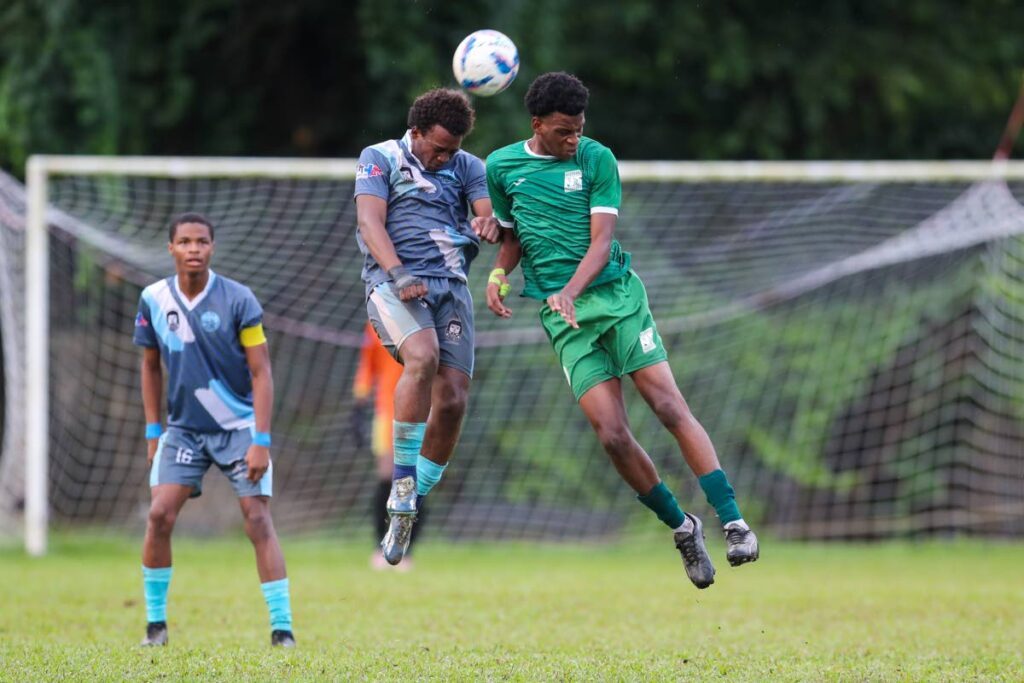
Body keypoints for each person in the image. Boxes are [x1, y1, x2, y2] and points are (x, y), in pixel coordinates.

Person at [484, 72, 759, 590]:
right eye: (564, 131)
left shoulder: (597, 159)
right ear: (537, 124)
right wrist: (500, 273)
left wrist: (569, 289)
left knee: (669, 406)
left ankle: (734, 522)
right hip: (563, 321)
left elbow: (603, 241)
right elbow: (513, 234)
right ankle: (683, 528)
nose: (573, 139)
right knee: (611, 435)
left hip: (616, 299)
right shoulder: (501, 166)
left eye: (579, 129)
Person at [133, 212, 295, 646]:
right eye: (184, 242)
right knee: (159, 515)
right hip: (183, 430)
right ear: (171, 248)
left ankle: (282, 630)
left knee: (257, 518)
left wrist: (260, 440)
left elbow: (262, 373)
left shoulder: (239, 300)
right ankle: (155, 626)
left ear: (212, 247)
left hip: (239, 427)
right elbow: (149, 366)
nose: (193, 250)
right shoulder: (152, 298)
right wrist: (153, 433)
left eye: (201, 242)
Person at [354, 88, 499, 565]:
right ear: (414, 132)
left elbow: (484, 215)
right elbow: (370, 222)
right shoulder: (379, 159)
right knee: (422, 357)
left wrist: (488, 226)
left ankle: (411, 502)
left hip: (450, 287)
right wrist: (398, 274)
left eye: (451, 150)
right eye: (437, 148)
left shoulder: (468, 166)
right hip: (394, 284)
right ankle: (400, 483)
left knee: (454, 398)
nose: (443, 158)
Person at [351, 321, 422, 571]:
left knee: (415, 481)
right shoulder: (375, 323)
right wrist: (359, 405)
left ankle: (407, 550)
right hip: (386, 412)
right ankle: (379, 547)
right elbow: (366, 366)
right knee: (386, 476)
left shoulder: (423, 317)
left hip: (421, 411)